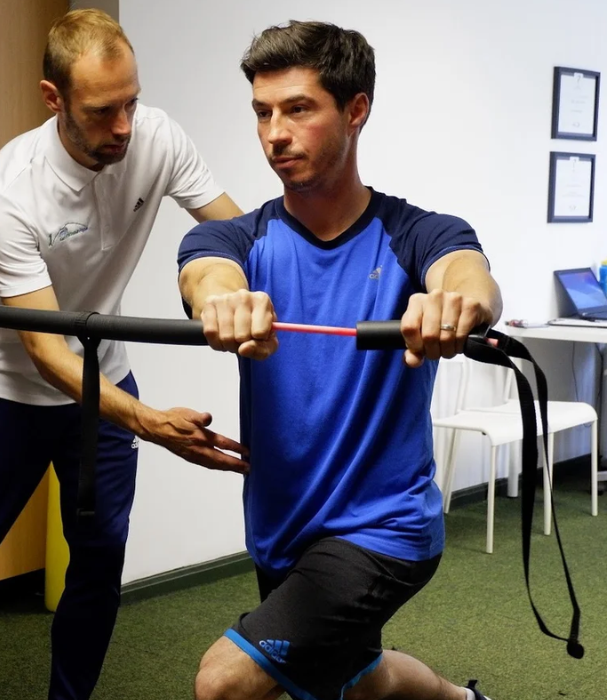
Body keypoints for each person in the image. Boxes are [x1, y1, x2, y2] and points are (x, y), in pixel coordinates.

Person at [0, 9, 247, 700]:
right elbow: (45, 352)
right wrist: (148, 421)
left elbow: (239, 230)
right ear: (53, 98)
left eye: (131, 103)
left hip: (105, 378)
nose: (123, 126)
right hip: (13, 393)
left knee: (96, 567)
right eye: (102, 111)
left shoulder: (155, 137)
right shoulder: (9, 191)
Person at [176, 21, 503, 700]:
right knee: (356, 679)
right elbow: (206, 275)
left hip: (383, 529)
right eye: (263, 112)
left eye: (298, 109)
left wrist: (454, 305)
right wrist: (223, 301)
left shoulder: (417, 232)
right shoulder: (236, 236)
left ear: (356, 110)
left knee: (226, 684)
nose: (274, 133)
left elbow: (469, 278)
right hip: (281, 527)